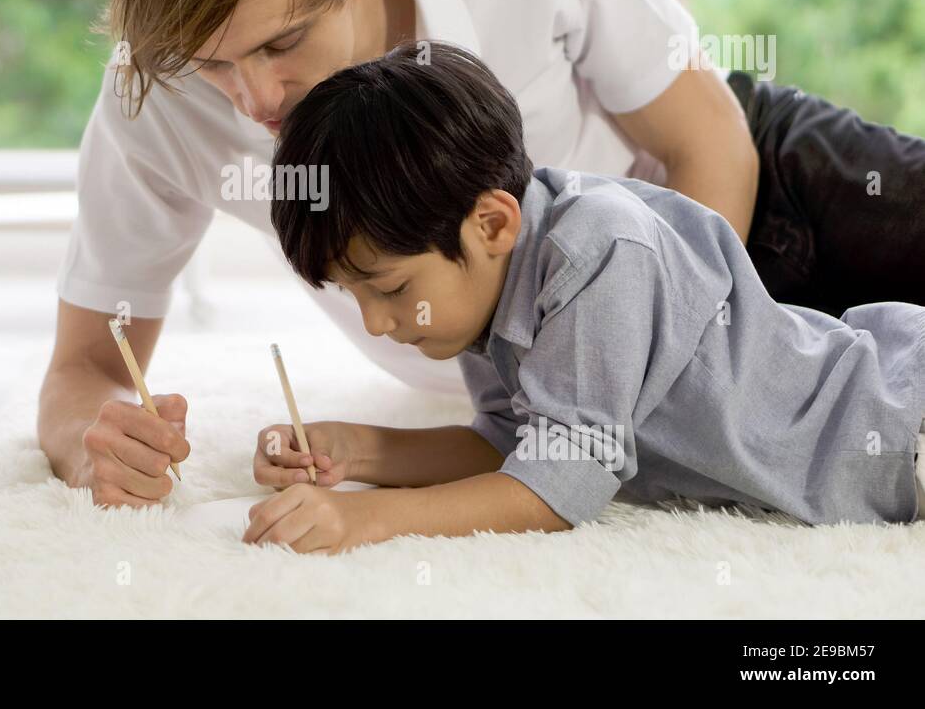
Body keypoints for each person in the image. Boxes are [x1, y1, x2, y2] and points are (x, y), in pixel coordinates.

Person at [42, 0, 925, 508]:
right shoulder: (150, 104)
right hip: (565, 375)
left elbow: (706, 137)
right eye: (212, 65)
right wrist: (97, 443)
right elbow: (83, 365)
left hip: (745, 194)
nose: (257, 101)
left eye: (283, 44)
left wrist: (691, 363)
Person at [245, 41, 925, 554]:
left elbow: (561, 483)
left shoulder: (596, 250)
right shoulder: (488, 286)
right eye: (352, 292)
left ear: (492, 223)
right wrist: (357, 450)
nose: (374, 322)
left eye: (390, 287)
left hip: (898, 424)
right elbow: (519, 446)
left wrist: (364, 519)